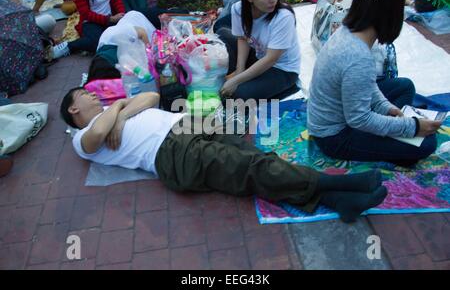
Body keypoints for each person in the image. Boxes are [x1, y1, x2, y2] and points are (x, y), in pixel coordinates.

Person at [60, 88, 388, 223]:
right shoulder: (80, 137)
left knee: (256, 157)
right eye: (87, 95)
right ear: (74, 108)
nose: (94, 95)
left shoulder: (110, 109)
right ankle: (334, 187)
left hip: (189, 126)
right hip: (172, 153)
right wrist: (113, 115)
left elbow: (151, 96)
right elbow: (99, 135)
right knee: (250, 167)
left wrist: (117, 108)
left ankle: (337, 204)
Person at [307, 0, 441, 167]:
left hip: (338, 113)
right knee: (426, 144)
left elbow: (368, 84)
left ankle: (389, 137)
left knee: (404, 87)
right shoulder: (358, 56)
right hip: (335, 136)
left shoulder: (348, 30)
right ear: (391, 14)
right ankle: (391, 147)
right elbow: (359, 119)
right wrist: (411, 127)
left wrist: (386, 107)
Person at [216, 0, 300, 101]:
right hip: (258, 55)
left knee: (238, 96)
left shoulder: (284, 17)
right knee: (221, 32)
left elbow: (270, 59)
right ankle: (246, 78)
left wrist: (236, 80)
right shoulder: (238, 9)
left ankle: (288, 88)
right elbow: (242, 38)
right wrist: (240, 70)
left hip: (281, 69)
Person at [52, 0, 125, 59]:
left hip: (111, 18)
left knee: (129, 30)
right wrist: (109, 19)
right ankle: (69, 46)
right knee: (97, 42)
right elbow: (85, 13)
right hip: (91, 22)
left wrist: (121, 15)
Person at [87, 10, 156, 82]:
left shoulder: (116, 34)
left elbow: (142, 32)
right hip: (133, 35)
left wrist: (149, 55)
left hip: (139, 18)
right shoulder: (100, 55)